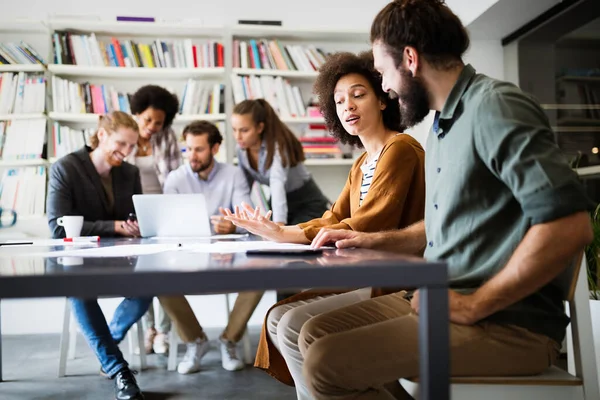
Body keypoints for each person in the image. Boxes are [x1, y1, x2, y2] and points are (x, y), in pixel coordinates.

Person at [278, 1, 595, 400]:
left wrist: (474, 305)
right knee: (311, 331)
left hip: (506, 324)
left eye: (382, 72)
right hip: (436, 300)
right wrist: (373, 241)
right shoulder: (444, 125)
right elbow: (444, 224)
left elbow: (569, 225)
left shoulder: (494, 107)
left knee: (327, 362)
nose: (385, 86)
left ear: (409, 58)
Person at [224, 51, 426, 399]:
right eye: (339, 100)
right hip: (371, 276)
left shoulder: (400, 148)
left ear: (381, 99)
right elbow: (334, 216)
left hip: (398, 282)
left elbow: (366, 224)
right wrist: (280, 232)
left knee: (289, 323)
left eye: (358, 94)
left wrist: (291, 234)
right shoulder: (362, 162)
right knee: (278, 319)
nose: (348, 105)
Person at [46, 111, 149, 400]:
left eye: (132, 146)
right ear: (101, 135)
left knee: (150, 285)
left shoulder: (130, 172)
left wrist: (133, 224)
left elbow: (131, 216)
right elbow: (57, 225)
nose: (126, 152)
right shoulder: (66, 168)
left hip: (120, 257)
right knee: (79, 290)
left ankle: (108, 345)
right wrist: (114, 227)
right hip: (77, 260)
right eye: (121, 143)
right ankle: (119, 370)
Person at [155, 120, 263, 374]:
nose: (191, 156)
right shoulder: (175, 178)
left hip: (227, 252)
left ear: (215, 148)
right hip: (187, 254)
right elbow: (167, 226)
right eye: (188, 149)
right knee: (158, 281)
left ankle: (229, 339)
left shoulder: (234, 175)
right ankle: (195, 341)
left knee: (260, 275)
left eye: (199, 149)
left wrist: (233, 226)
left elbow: (247, 218)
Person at [232, 98, 330, 302]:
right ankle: (283, 314)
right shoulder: (242, 151)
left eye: (244, 130)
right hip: (284, 202)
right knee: (278, 259)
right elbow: (243, 188)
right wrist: (242, 221)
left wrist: (278, 226)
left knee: (288, 260)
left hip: (307, 202)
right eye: (235, 130)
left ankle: (287, 313)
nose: (238, 136)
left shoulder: (276, 148)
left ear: (259, 127)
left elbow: (277, 187)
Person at [125, 84, 181, 355]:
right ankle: (147, 329)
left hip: (164, 211)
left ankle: (164, 332)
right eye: (147, 120)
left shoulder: (167, 137)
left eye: (158, 122)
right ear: (136, 113)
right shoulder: (124, 136)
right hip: (131, 214)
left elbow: (173, 178)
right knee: (140, 273)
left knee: (166, 273)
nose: (152, 126)